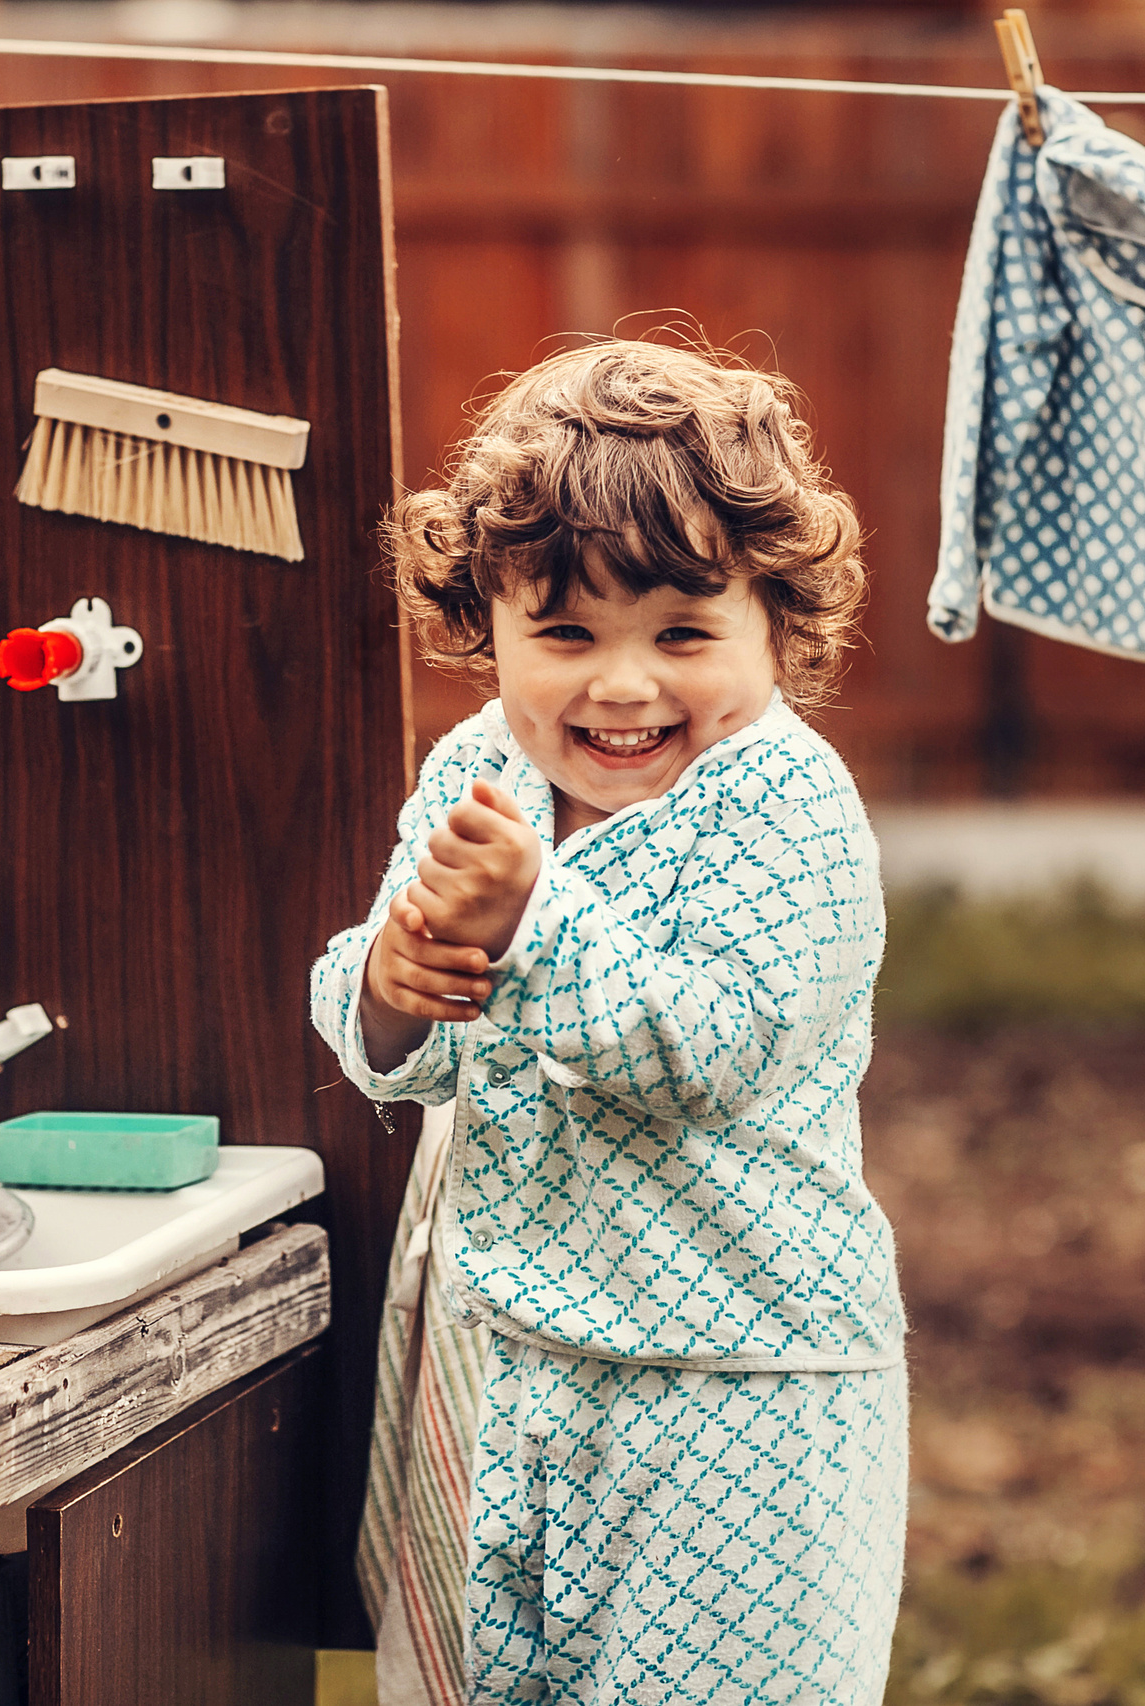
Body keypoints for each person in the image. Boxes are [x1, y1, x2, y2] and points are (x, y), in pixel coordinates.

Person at [310, 338, 907, 1706]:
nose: (623, 686)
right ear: (491, 620)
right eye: (566, 633)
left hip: (736, 1393)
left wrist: (532, 923)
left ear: (779, 625)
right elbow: (414, 1029)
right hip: (513, 1373)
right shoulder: (479, 770)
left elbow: (712, 1049)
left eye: (684, 635)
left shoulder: (788, 805)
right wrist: (396, 985)